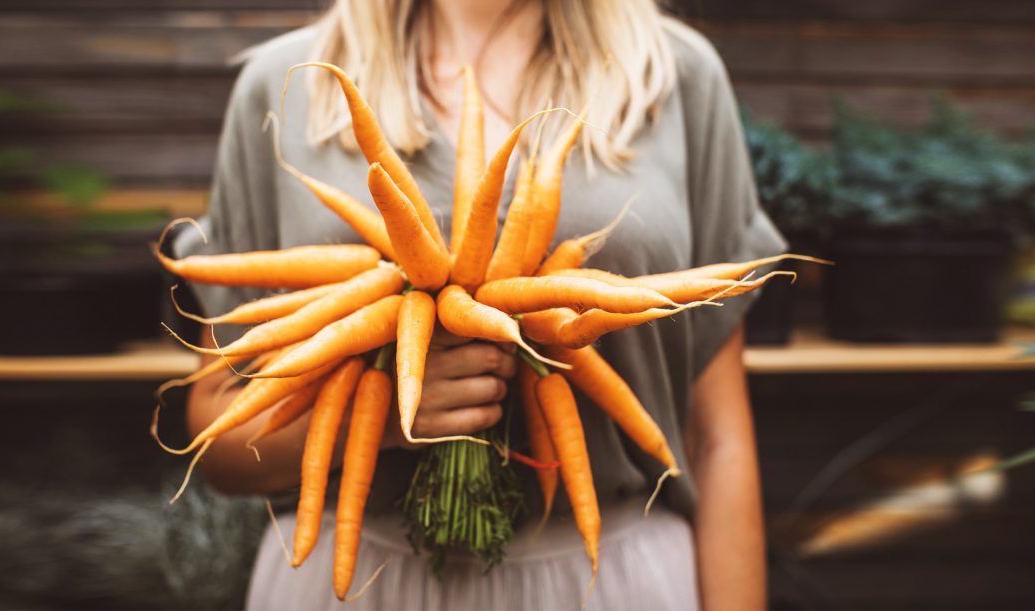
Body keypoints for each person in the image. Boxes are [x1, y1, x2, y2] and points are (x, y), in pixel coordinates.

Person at [173, 0, 785, 608]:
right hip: (358, 584)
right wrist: (390, 414)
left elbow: (717, 437)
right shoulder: (287, 82)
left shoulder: (672, 72)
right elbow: (220, 434)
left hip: (617, 582)